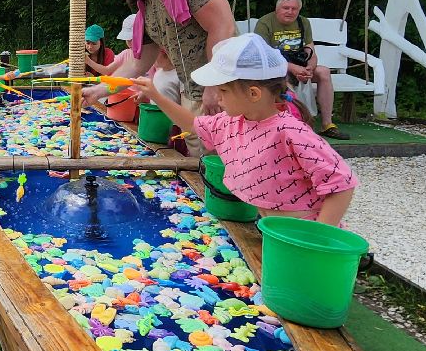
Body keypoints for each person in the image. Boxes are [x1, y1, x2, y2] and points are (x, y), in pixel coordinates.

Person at [132, 33, 357, 225]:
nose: (217, 98)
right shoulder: (232, 123)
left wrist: (320, 238)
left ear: (253, 94)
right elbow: (192, 124)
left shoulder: (290, 132)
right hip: (272, 229)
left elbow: (341, 183)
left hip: (304, 233)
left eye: (223, 91)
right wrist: (156, 96)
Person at [84, 0, 236, 113]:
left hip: (229, 90)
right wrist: (97, 91)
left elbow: (223, 27)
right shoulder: (145, 10)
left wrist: (214, 84)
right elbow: (137, 64)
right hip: (193, 94)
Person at [254, 0, 350, 140]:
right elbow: (264, 56)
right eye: (286, 8)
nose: (290, 12)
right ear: (277, 8)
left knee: (324, 72)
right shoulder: (265, 23)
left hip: (299, 64)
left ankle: (327, 124)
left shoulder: (303, 22)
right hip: (274, 67)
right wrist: (293, 68)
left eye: (294, 9)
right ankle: (295, 122)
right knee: (283, 78)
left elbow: (311, 51)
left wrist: (310, 68)